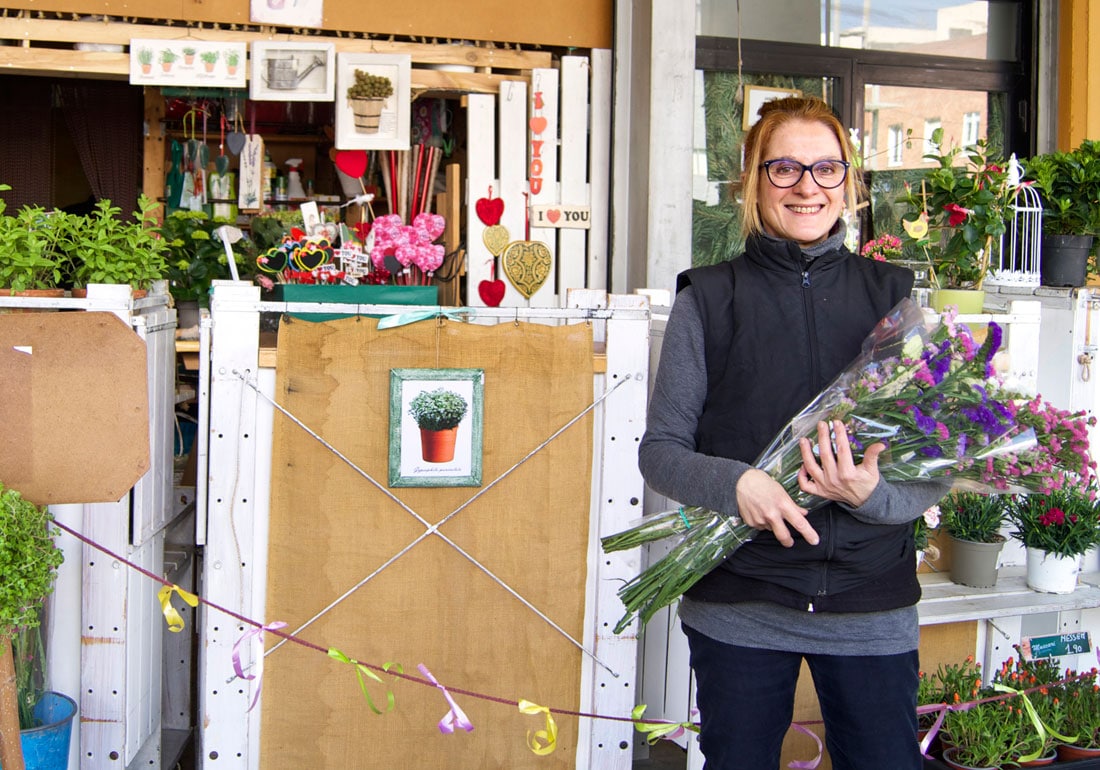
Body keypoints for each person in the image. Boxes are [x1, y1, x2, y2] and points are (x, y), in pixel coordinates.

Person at [637, 96, 950, 770]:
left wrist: (872, 495)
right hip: (742, 601)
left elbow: (935, 460)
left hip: (870, 603)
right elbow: (660, 452)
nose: (807, 187)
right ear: (751, 180)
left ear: (850, 182)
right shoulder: (708, 300)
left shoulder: (892, 297)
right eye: (783, 168)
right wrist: (737, 484)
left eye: (826, 168)